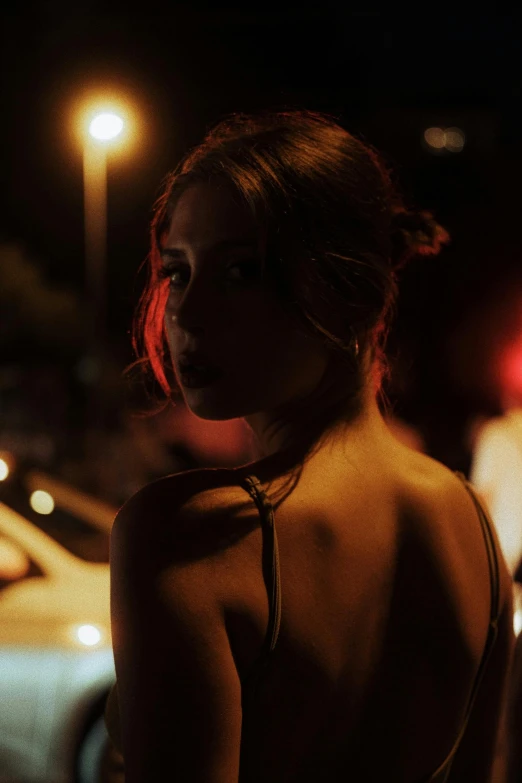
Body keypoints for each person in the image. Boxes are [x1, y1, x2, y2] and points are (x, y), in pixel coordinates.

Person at [105, 110, 514, 782]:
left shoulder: (190, 536)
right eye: (178, 270)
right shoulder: (469, 524)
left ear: (347, 295)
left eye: (241, 271)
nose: (187, 311)